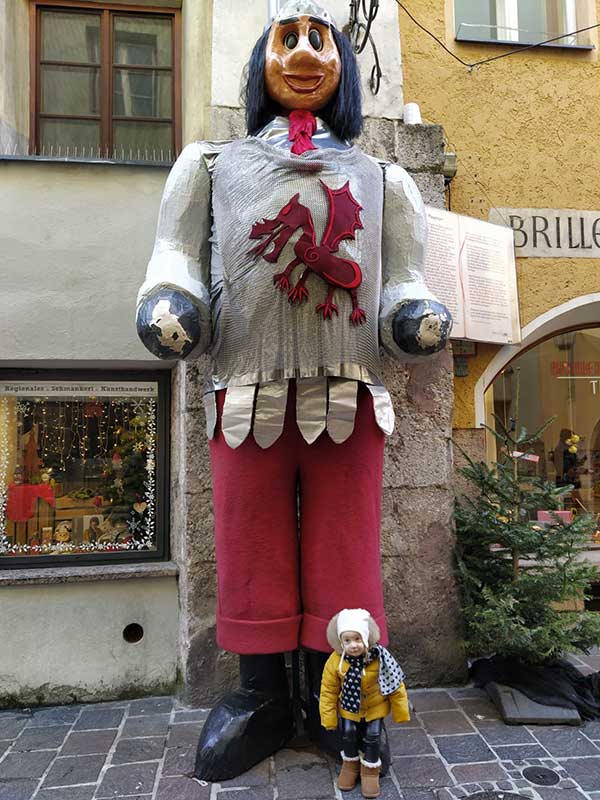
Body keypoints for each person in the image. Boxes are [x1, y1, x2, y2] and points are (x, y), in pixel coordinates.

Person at [136, 0, 451, 780]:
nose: (305, 54)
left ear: (342, 62)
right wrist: (171, 300)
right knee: (250, 544)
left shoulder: (384, 179)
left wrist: (413, 313)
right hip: (244, 394)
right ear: (262, 60)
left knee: (347, 544)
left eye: (321, 39)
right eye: (288, 39)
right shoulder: (208, 166)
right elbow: (173, 256)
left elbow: (404, 276)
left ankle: (332, 693)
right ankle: (258, 696)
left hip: (349, 394)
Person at [320, 608, 409, 798]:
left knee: (373, 735)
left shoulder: (380, 658)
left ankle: (370, 770)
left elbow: (396, 685)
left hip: (375, 708)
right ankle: (350, 765)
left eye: (357, 639)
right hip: (349, 709)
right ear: (340, 641)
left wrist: (401, 711)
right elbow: (328, 690)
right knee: (348, 733)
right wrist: (328, 718)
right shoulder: (336, 661)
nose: (353, 645)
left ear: (367, 637)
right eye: (347, 640)